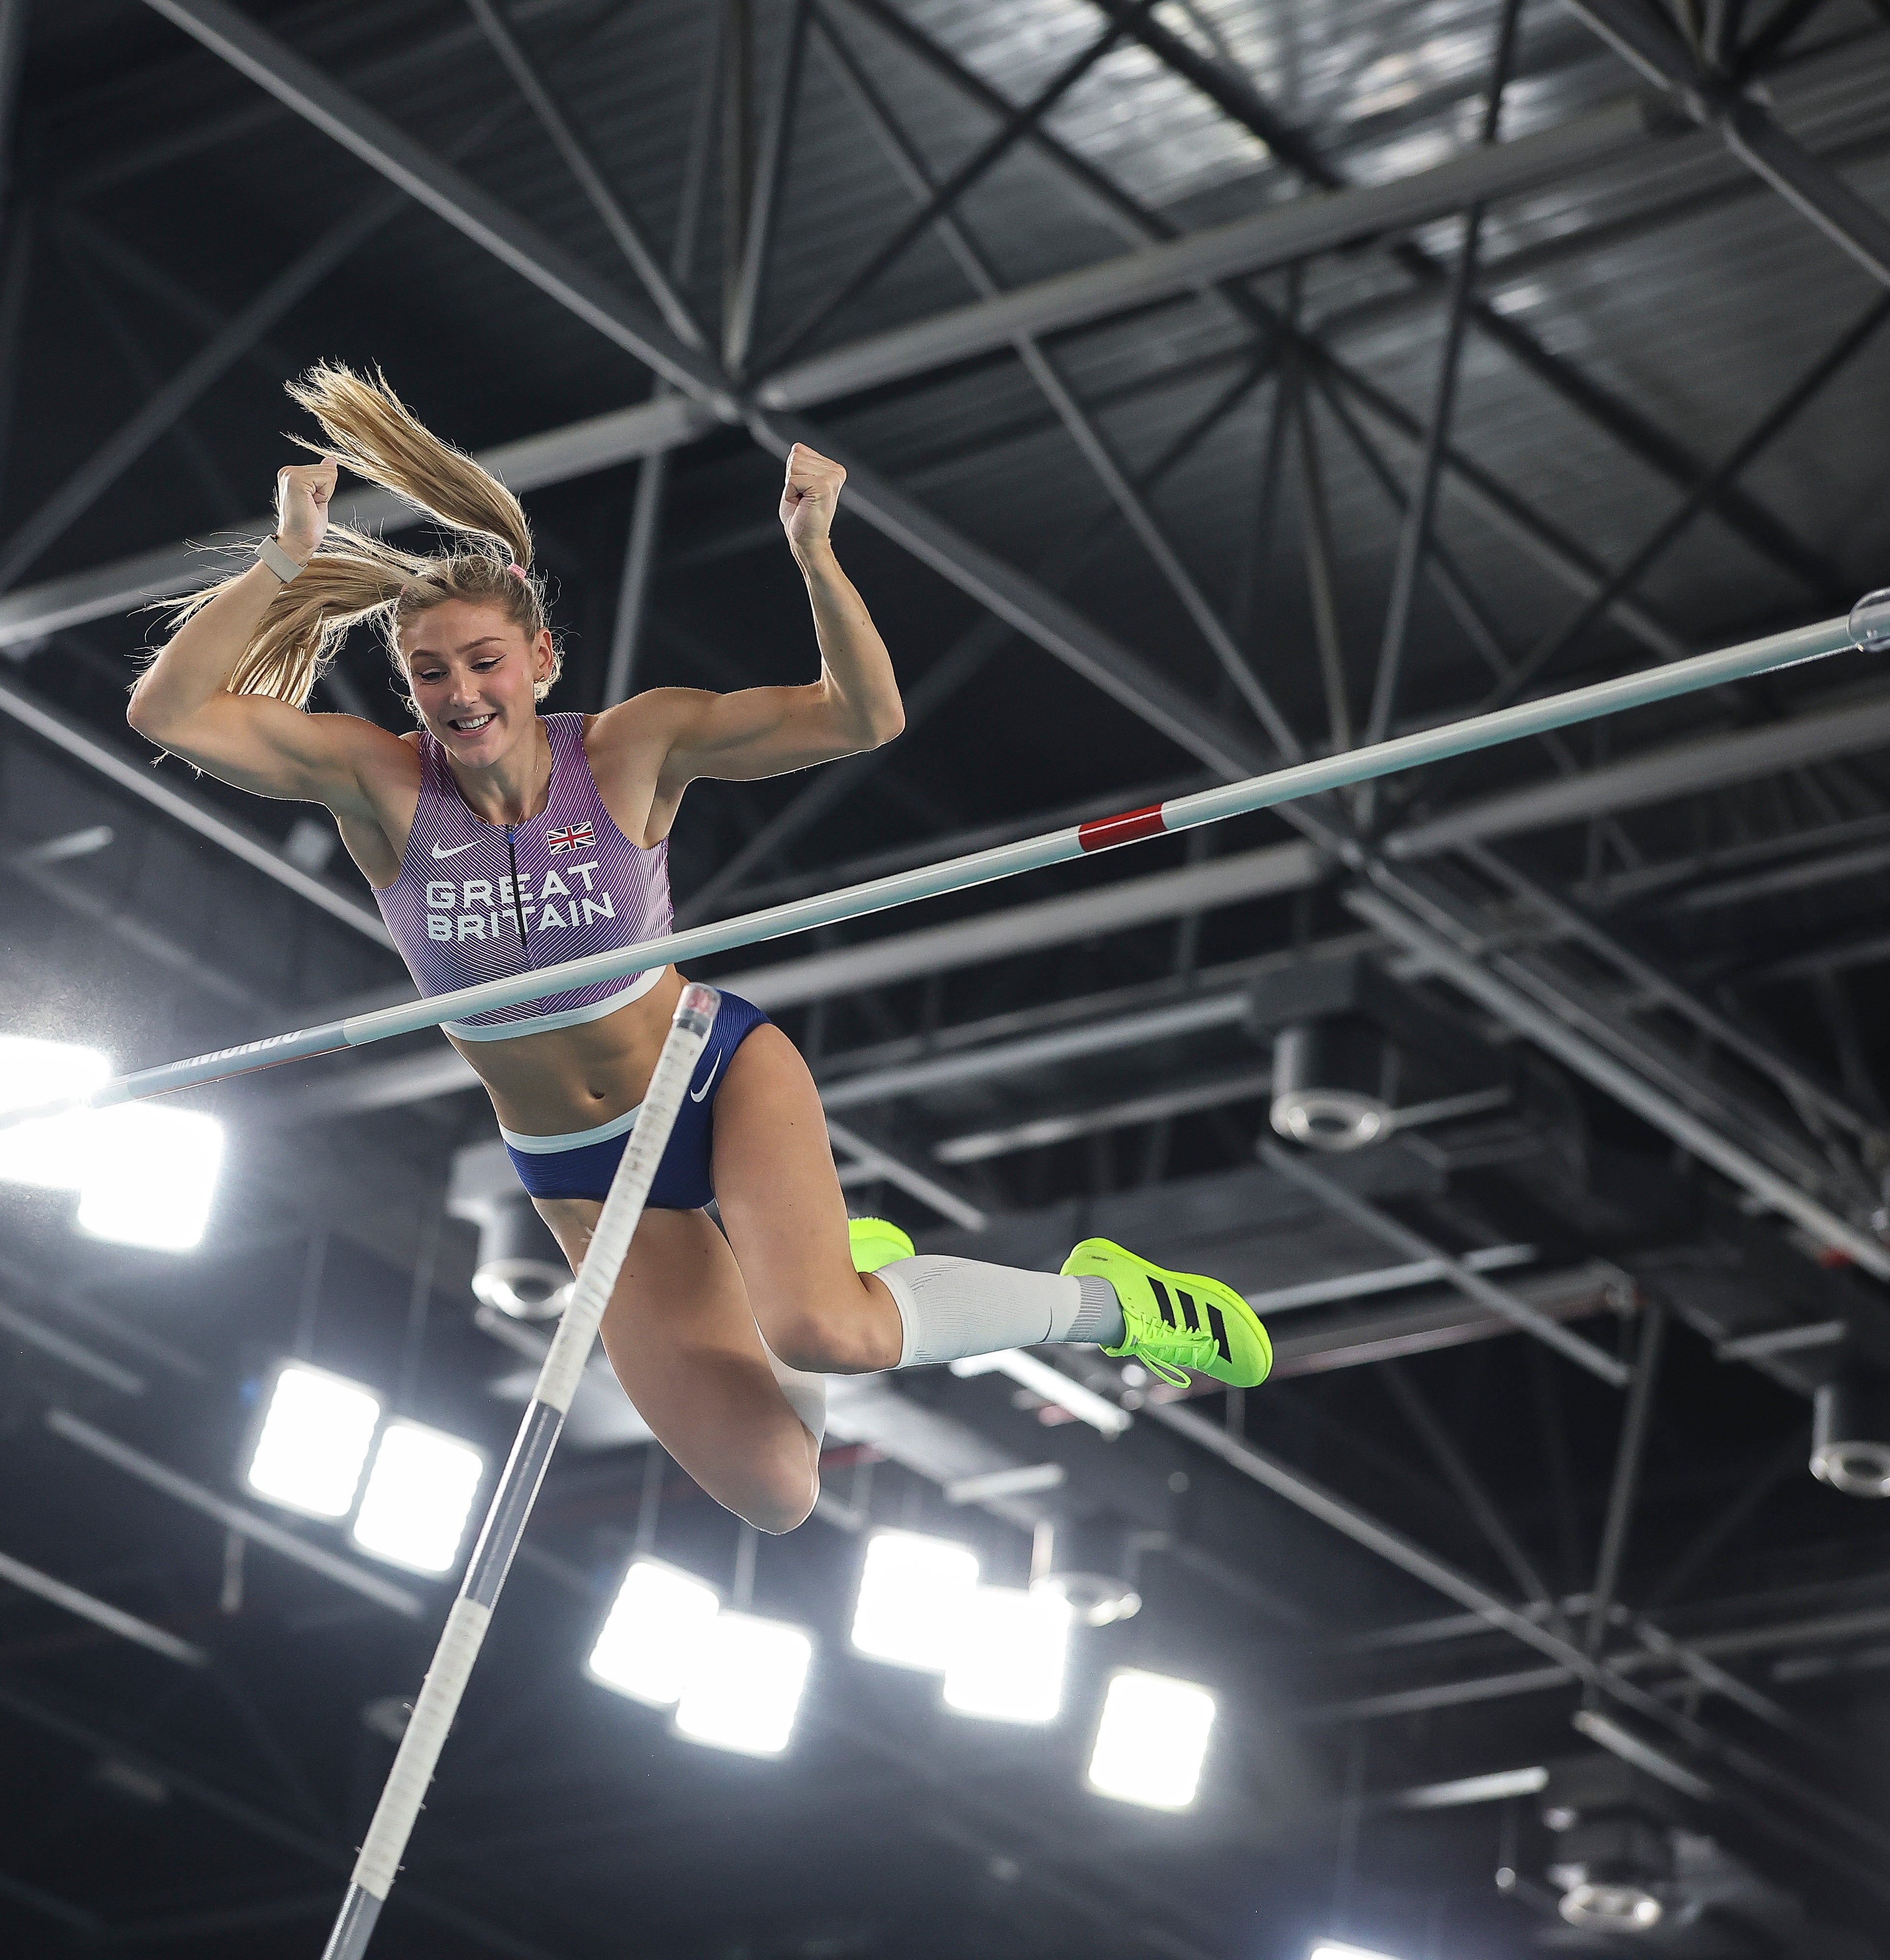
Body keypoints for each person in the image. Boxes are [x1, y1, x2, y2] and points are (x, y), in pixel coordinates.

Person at [127, 364, 1269, 1532]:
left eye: (484, 661)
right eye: (430, 672)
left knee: (827, 1327)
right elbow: (166, 714)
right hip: (578, 1167)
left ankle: (1111, 1304)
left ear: (539, 663)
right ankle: (844, 1251)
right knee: (776, 1491)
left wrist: (817, 555)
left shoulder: (630, 748)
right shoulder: (376, 783)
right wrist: (283, 556)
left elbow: (863, 717)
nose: (460, 692)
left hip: (709, 1075)